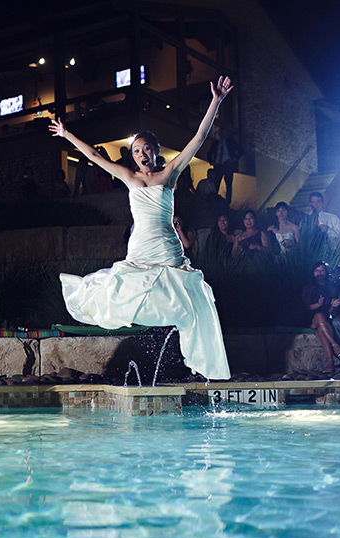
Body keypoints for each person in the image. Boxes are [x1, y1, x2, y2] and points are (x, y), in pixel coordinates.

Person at [49, 75, 234, 380]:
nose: (142, 154)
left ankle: (192, 364)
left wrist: (215, 101)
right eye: (136, 150)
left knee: (183, 296)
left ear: (156, 150)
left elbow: (199, 138)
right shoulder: (130, 178)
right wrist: (68, 135)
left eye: (146, 149)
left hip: (166, 247)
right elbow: (95, 156)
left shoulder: (170, 174)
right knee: (123, 288)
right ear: (132, 155)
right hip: (140, 248)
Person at [301, 261, 340, 373]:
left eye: (322, 270)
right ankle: (335, 345)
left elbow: (331, 311)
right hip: (311, 318)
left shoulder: (331, 288)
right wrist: (318, 305)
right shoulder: (308, 288)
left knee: (322, 328)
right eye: (316, 271)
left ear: (326, 272)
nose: (319, 273)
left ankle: (330, 363)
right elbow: (306, 307)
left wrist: (333, 305)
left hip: (325, 319)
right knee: (319, 315)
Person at [206, 123, 243, 205]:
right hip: (218, 165)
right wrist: (212, 161)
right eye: (221, 133)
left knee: (228, 185)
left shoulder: (231, 142)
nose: (223, 135)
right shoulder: (215, 143)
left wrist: (233, 159)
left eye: (224, 133)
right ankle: (213, 201)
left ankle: (228, 203)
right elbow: (209, 153)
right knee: (216, 184)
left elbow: (241, 150)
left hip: (228, 165)